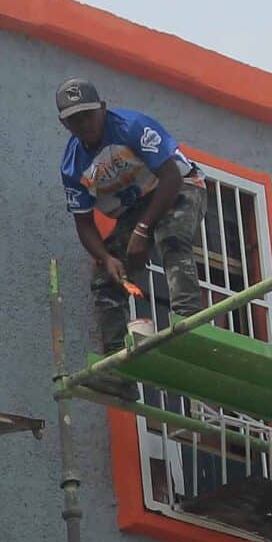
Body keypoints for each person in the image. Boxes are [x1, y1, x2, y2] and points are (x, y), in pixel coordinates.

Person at [55, 77, 212, 374]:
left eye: (88, 115)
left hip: (180, 186)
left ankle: (190, 321)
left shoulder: (133, 127)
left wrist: (142, 232)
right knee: (105, 278)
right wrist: (106, 258)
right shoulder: (73, 166)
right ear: (65, 125)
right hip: (136, 207)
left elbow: (171, 178)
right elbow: (85, 224)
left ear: (102, 108)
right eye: (75, 120)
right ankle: (116, 368)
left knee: (171, 236)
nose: (84, 124)